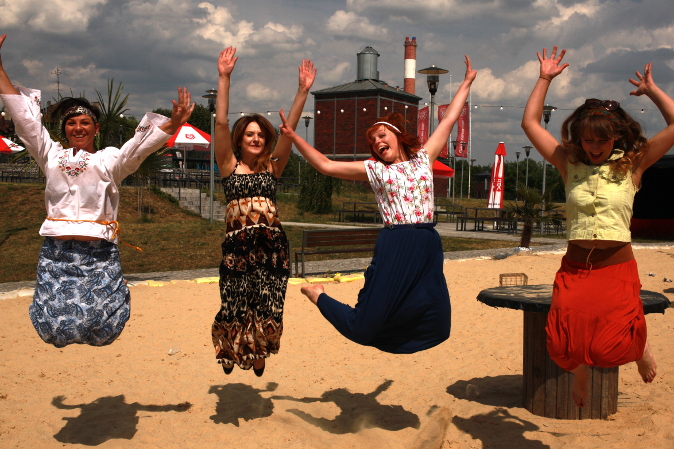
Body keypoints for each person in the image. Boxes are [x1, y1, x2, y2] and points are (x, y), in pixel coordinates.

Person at [0, 34, 195, 347]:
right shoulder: (50, 155)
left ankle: (117, 294)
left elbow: (138, 149)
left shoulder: (109, 160)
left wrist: (172, 123)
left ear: (96, 128)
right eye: (72, 123)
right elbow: (24, 119)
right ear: (64, 129)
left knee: (103, 327)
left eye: (85, 123)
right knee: (53, 328)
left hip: (98, 253)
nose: (78, 128)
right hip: (58, 253)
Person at [278, 56, 477, 354]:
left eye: (381, 135)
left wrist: (466, 83)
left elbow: (448, 120)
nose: (376, 142)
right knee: (364, 327)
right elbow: (326, 165)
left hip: (427, 243)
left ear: (396, 135)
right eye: (372, 141)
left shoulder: (424, 157)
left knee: (438, 325)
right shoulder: (375, 168)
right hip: (396, 242)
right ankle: (318, 294)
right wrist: (294, 137)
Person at [521, 46, 674, 407]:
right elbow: (529, 124)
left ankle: (642, 350)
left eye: (601, 140)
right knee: (560, 344)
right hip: (576, 268)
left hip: (616, 268)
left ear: (616, 136)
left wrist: (653, 92)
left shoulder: (633, 164)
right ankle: (580, 374)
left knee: (610, 348)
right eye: (587, 139)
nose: (593, 147)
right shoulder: (568, 163)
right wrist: (544, 78)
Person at [211, 46, 316, 376]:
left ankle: (260, 353)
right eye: (249, 134)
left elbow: (291, 129)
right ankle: (230, 350)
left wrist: (302, 91)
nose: (255, 139)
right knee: (234, 305)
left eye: (260, 134)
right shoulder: (229, 165)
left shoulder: (274, 166)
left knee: (269, 306)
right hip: (238, 251)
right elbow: (221, 123)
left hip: (272, 250)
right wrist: (224, 78)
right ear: (240, 139)